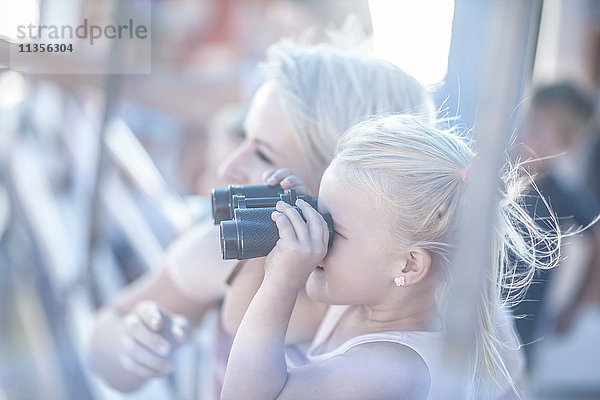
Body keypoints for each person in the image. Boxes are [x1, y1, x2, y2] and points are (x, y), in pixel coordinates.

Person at [88, 39, 434, 392]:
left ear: (344, 179)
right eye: (244, 138)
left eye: (264, 157)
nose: (229, 167)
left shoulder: (400, 322)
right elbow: (105, 336)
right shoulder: (227, 253)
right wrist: (131, 345)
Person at [221, 114, 559, 400]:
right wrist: (278, 221)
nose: (316, 238)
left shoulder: (391, 368)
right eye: (313, 211)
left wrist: (282, 279)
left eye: (330, 229)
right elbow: (238, 320)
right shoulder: (363, 299)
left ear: (409, 265)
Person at [514, 83, 600, 363]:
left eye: (538, 131)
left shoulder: (561, 193)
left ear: (566, 145)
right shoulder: (506, 177)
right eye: (527, 125)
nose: (525, 137)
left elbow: (596, 239)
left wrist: (573, 308)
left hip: (523, 328)